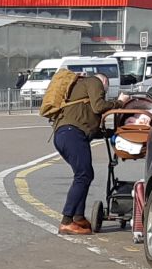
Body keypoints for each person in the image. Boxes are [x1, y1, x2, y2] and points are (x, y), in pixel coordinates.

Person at [46, 70, 132, 234]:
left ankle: (78, 217)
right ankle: (66, 220)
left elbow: (90, 124)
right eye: (105, 90)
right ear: (105, 82)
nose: (103, 92)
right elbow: (98, 106)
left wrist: (110, 133)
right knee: (84, 174)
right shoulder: (94, 81)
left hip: (65, 134)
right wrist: (120, 102)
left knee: (84, 174)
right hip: (72, 134)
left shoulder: (80, 88)